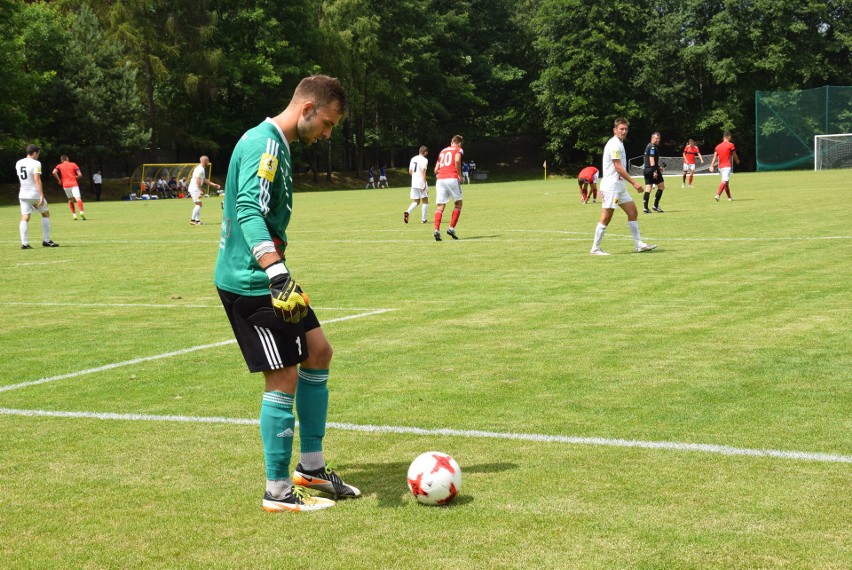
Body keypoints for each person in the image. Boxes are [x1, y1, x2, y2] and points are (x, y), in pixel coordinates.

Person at [214, 74, 359, 513]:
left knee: (319, 351)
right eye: (328, 123)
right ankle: (277, 490)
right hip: (252, 282)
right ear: (307, 110)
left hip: (272, 277)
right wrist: (275, 272)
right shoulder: (268, 144)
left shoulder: (276, 143)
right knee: (282, 377)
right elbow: (247, 209)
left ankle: (311, 467)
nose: (328, 133)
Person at [590, 118, 657, 255]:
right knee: (606, 217)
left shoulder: (620, 144)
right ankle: (595, 249)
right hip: (611, 188)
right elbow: (618, 167)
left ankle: (638, 244)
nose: (624, 131)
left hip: (620, 187)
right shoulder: (614, 144)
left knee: (633, 212)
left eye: (626, 129)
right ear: (615, 130)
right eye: (621, 129)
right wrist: (634, 183)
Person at [16, 145, 59, 249]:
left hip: (23, 194)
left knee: (25, 217)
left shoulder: (19, 162)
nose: (38, 156)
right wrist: (41, 195)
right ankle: (46, 240)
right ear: (34, 153)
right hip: (34, 193)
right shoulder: (36, 163)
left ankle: (24, 243)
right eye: (38, 153)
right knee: (45, 213)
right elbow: (37, 179)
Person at [433, 134, 464, 241]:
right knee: (458, 203)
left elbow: (435, 169)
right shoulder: (458, 149)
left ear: (451, 142)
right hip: (452, 178)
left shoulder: (442, 151)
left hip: (440, 179)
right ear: (459, 143)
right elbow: (457, 160)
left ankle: (436, 230)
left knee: (440, 207)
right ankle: (451, 228)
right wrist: (459, 175)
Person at [188, 156, 221, 225]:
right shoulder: (200, 169)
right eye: (208, 161)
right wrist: (200, 190)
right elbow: (197, 180)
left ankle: (197, 221)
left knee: (198, 204)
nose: (208, 162)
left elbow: (204, 179)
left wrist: (214, 184)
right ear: (204, 161)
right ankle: (193, 220)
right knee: (199, 204)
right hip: (195, 189)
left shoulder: (201, 169)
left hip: (195, 189)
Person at [709, 131, 740, 202]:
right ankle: (718, 195)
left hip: (720, 167)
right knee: (724, 181)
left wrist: (711, 166)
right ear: (728, 137)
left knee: (726, 182)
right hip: (727, 166)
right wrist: (737, 160)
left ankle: (729, 197)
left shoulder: (718, 146)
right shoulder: (730, 145)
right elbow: (734, 154)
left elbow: (714, 157)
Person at [53, 155, 86, 220]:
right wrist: (75, 177)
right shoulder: (73, 164)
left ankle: (74, 215)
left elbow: (54, 172)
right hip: (74, 184)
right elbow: (80, 175)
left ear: (61, 160)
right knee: (78, 198)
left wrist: (59, 180)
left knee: (70, 199)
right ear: (67, 159)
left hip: (65, 185)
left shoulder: (59, 165)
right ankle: (81, 212)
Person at [404, 146, 429, 224]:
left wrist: (415, 177)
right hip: (421, 181)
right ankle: (423, 219)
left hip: (414, 182)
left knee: (416, 201)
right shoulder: (424, 160)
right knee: (425, 200)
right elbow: (423, 172)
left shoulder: (413, 158)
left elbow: (410, 171)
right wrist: (424, 183)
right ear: (425, 152)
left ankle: (407, 211)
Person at [642, 132, 666, 213]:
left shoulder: (648, 146)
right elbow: (652, 159)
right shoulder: (652, 147)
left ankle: (645, 208)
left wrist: (659, 167)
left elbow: (652, 160)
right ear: (652, 138)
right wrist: (655, 171)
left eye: (659, 138)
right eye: (656, 138)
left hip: (646, 169)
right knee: (661, 186)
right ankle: (655, 206)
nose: (658, 140)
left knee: (648, 188)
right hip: (652, 170)